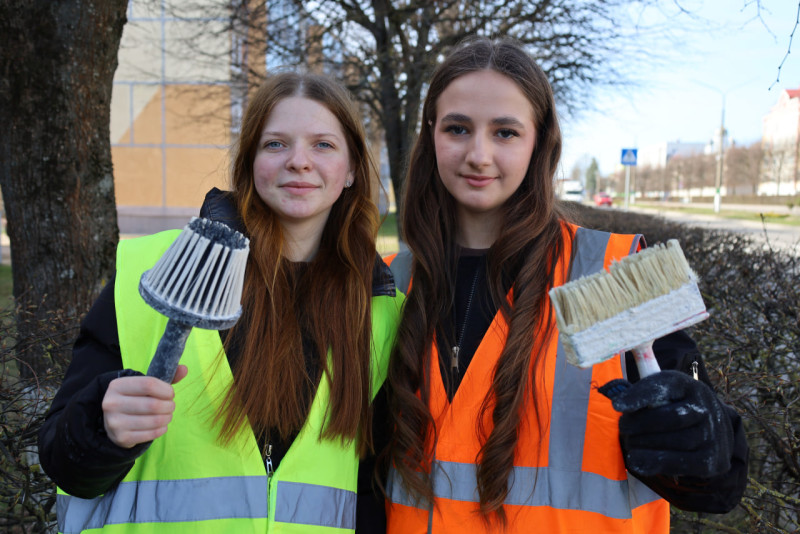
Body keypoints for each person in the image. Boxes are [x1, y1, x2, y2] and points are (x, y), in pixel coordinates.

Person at [382, 37, 748, 533]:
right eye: (458, 128)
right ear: (432, 135)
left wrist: (707, 441)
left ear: (540, 141)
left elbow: (713, 483)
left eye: (506, 132)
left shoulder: (616, 271)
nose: (478, 154)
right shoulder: (390, 284)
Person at [38, 71, 403, 533]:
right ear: (249, 161)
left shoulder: (381, 311)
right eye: (275, 144)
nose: (298, 162)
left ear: (352, 169)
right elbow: (64, 461)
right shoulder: (153, 271)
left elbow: (368, 491)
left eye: (323, 145)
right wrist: (103, 431)